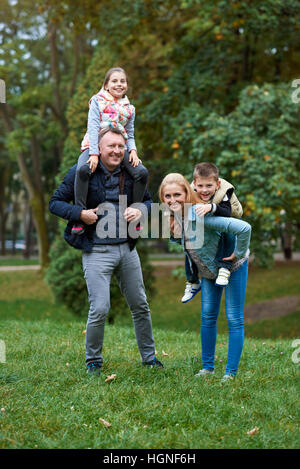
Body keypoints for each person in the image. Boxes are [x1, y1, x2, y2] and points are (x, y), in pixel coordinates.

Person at [49, 127, 163, 375]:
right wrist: (80, 214)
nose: (116, 151)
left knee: (140, 305)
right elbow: (55, 203)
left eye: (120, 146)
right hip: (96, 251)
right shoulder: (83, 173)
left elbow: (147, 201)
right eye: (111, 146)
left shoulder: (131, 172)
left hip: (127, 250)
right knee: (99, 308)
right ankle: (93, 361)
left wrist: (140, 211)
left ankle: (149, 358)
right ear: (98, 149)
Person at [159, 173, 251, 381]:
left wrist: (237, 253)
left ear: (187, 193)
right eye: (168, 197)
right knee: (208, 316)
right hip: (209, 269)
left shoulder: (202, 215)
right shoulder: (175, 217)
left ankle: (230, 373)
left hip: (232, 265)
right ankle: (208, 368)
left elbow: (245, 228)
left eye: (177, 195)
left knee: (233, 317)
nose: (173, 200)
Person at [72, 67, 148, 235]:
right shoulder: (97, 101)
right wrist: (93, 153)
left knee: (141, 172)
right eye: (114, 81)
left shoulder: (129, 108)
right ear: (106, 85)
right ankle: (79, 217)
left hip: (118, 147)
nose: (119, 84)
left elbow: (130, 133)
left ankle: (135, 215)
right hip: (94, 144)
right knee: (82, 170)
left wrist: (133, 151)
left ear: (127, 85)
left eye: (122, 81)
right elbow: (92, 128)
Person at [181, 162, 243, 303]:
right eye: (201, 186)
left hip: (228, 220)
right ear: (195, 184)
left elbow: (227, 213)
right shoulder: (190, 192)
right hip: (208, 230)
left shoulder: (225, 191)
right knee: (188, 244)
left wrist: (211, 207)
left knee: (227, 232)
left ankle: (224, 267)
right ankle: (192, 281)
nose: (204, 190)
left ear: (217, 184)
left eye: (209, 186)